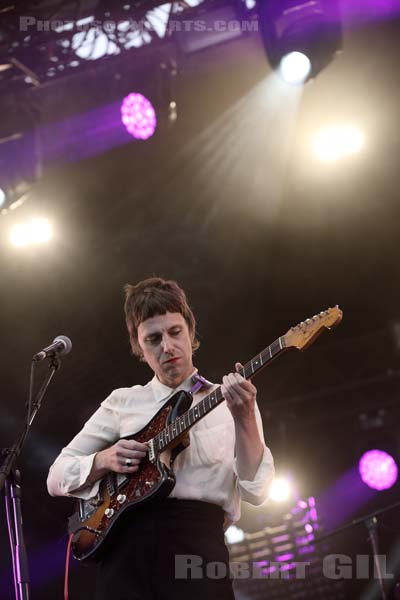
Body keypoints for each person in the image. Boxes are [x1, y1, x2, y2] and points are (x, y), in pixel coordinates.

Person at [47, 277, 274, 600]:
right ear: (139, 347)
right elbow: (56, 476)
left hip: (197, 549)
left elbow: (258, 490)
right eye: (152, 339)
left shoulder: (231, 400)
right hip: (126, 551)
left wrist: (246, 417)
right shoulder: (122, 402)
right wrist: (104, 459)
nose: (167, 347)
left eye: (175, 332)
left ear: (191, 332)